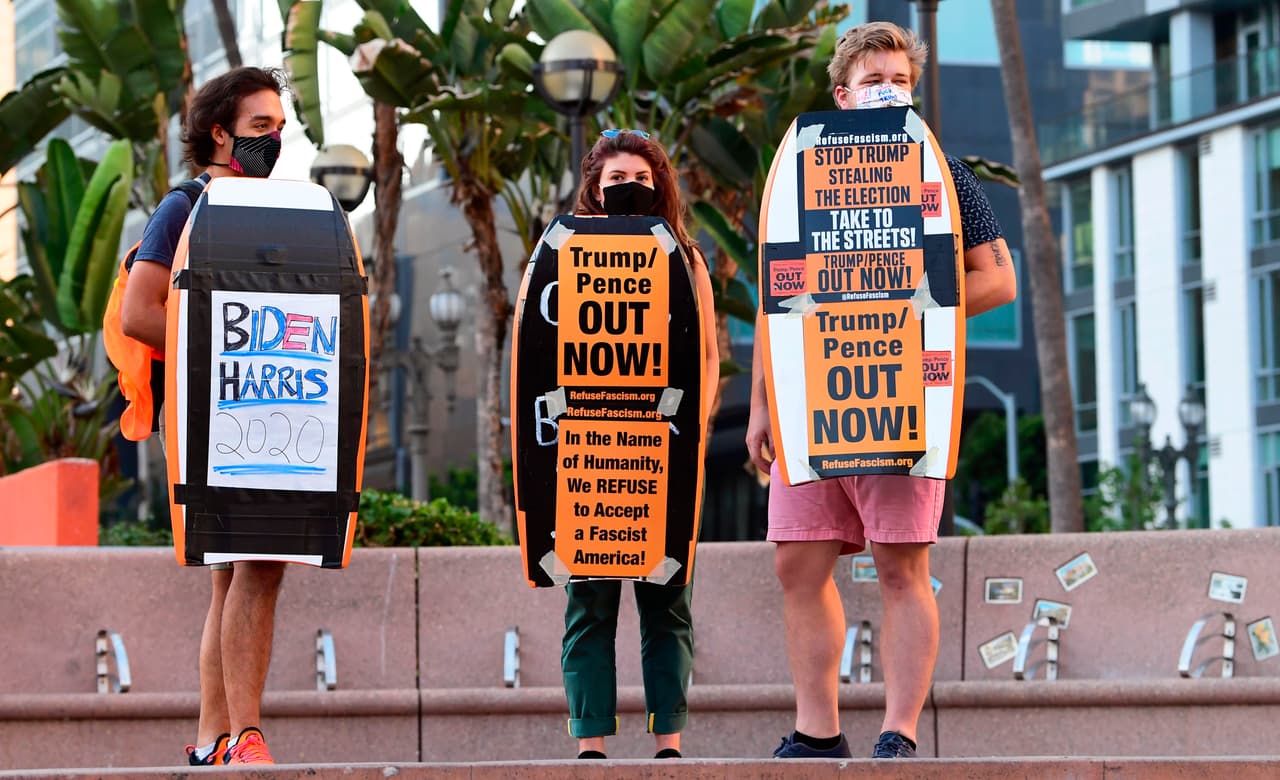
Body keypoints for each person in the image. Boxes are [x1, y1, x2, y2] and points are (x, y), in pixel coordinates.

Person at [746, 22, 1017, 760]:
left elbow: (999, 278)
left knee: (903, 566)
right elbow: (780, 291)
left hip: (901, 391)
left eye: (898, 79)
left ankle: (898, 733)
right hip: (812, 400)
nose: (888, 90)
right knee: (797, 563)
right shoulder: (797, 174)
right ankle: (818, 731)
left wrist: (903, 291)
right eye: (873, 80)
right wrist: (764, 403)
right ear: (842, 94)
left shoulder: (945, 175)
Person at [118, 66, 290, 766]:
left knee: (236, 571)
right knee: (257, 561)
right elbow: (139, 311)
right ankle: (243, 735)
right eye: (259, 128)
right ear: (220, 131)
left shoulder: (282, 206)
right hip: (210, 410)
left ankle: (214, 738)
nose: (274, 140)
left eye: (280, 129)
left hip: (270, 405)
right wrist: (224, 348)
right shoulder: (184, 204)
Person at [560, 129, 719, 760]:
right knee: (589, 607)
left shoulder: (687, 258)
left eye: (640, 179)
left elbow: (707, 356)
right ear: (595, 192)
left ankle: (668, 746)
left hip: (664, 451)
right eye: (616, 180)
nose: (629, 188)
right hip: (589, 456)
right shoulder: (565, 255)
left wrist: (692, 434)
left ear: (660, 189)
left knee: (667, 603)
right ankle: (590, 748)